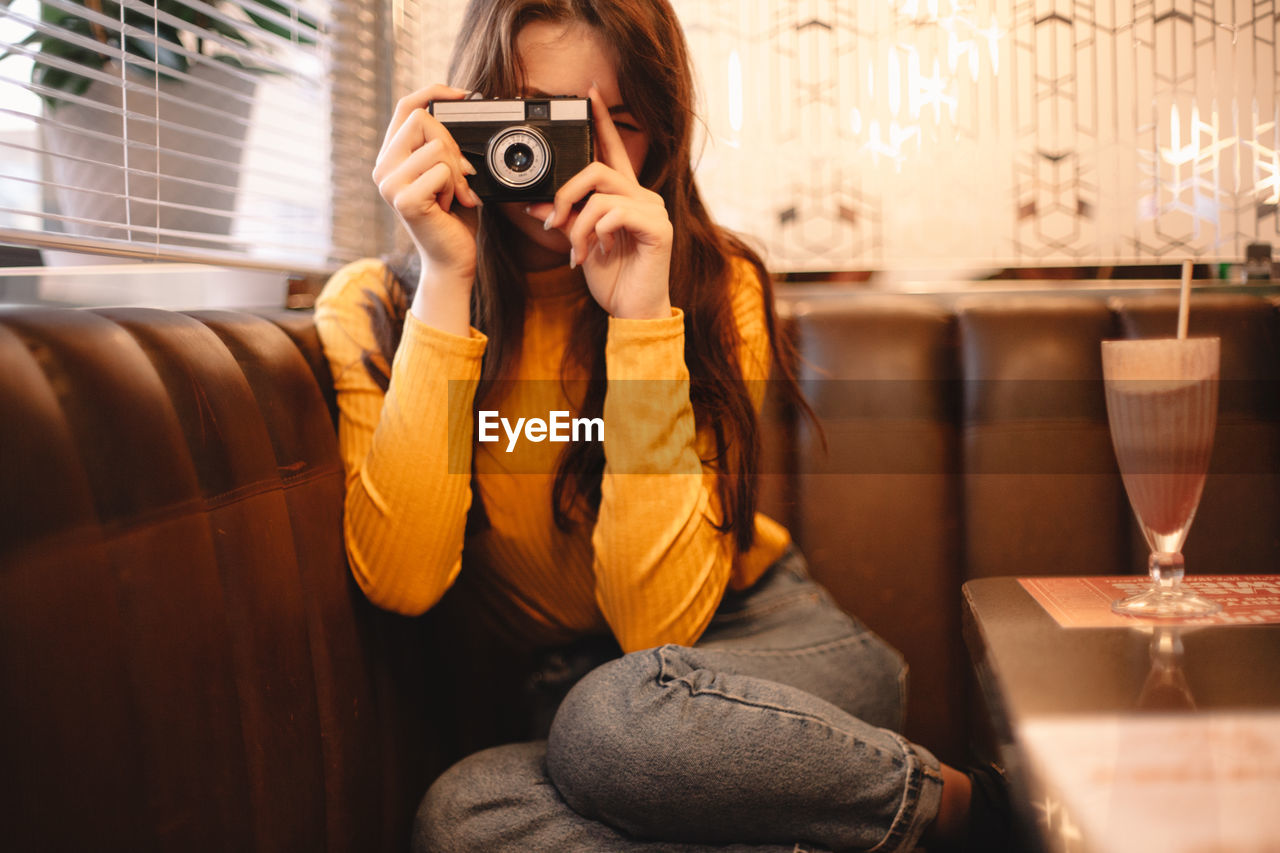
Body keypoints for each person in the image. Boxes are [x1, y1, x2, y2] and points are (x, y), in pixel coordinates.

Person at [315, 0, 1013, 850]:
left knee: (614, 720)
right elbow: (405, 578)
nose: (557, 159)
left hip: (762, 646)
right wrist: (445, 280)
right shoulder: (379, 307)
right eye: (537, 117)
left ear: (664, 137)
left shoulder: (715, 288)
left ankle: (978, 815)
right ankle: (805, 825)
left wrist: (641, 314)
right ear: (465, 114)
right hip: (586, 703)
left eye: (617, 123)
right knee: (461, 818)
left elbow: (656, 629)